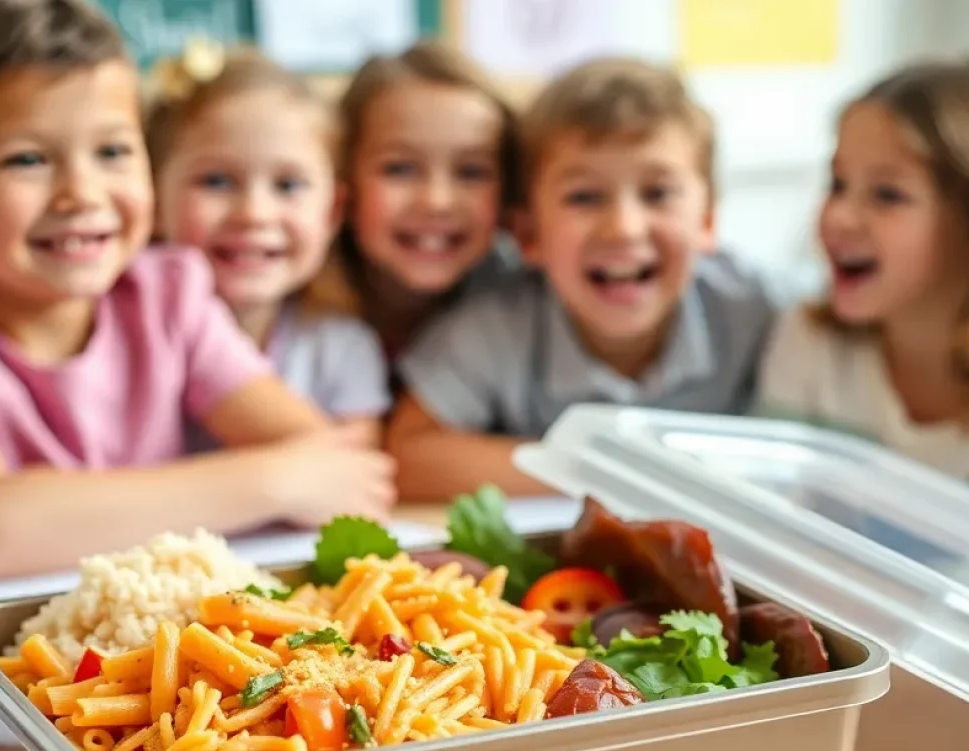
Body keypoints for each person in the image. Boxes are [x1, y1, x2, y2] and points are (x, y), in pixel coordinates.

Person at [0, 0, 395, 580]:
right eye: (27, 159)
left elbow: (341, 471)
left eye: (111, 151)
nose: (82, 193)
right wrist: (271, 481)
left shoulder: (169, 296)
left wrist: (291, 475)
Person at [388, 58, 777, 500]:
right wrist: (607, 475)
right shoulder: (496, 326)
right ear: (528, 235)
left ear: (707, 220)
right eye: (584, 197)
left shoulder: (757, 310)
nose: (624, 228)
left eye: (658, 193)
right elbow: (409, 455)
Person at [148, 42, 389, 444]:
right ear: (154, 200)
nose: (254, 213)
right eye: (217, 181)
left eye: (288, 185)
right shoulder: (128, 341)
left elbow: (354, 473)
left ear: (332, 211)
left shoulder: (342, 348)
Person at [756, 62, 969, 478]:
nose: (839, 217)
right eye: (836, 184)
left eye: (887, 195)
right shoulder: (810, 342)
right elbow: (770, 504)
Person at [334, 41, 521, 368]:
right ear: (343, 181)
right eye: (400, 168)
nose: (437, 201)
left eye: (471, 171)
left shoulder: (519, 300)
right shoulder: (290, 304)